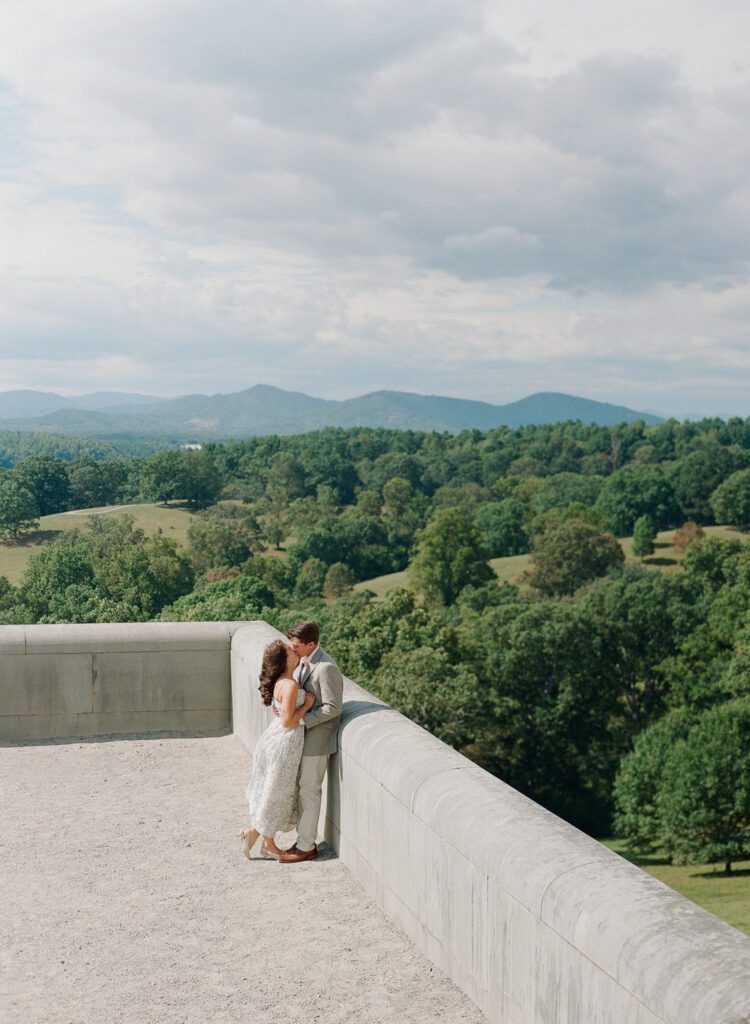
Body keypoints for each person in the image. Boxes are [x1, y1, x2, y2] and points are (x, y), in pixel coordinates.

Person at [241, 639, 315, 861]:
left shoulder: (283, 681)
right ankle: (268, 843)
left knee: (273, 791)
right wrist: (306, 707)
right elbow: (289, 722)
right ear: (284, 660)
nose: (293, 650)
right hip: (284, 743)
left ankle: (256, 837)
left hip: (276, 740)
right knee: (276, 793)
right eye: (288, 650)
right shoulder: (290, 685)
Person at [277, 620, 344, 864]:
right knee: (303, 791)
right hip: (305, 737)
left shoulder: (326, 668)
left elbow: (333, 708)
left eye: (296, 645)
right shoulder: (305, 661)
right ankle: (302, 840)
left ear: (312, 644)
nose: (292, 649)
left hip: (318, 740)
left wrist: (302, 721)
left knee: (310, 791)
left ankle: (307, 846)